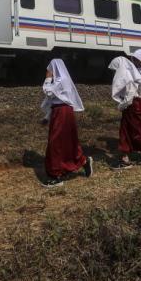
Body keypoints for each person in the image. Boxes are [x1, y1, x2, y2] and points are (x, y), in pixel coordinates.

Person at [38, 58, 92, 187]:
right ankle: (83, 161)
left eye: (49, 70)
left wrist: (47, 78)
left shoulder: (61, 81)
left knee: (55, 143)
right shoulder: (60, 81)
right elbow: (56, 101)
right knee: (67, 141)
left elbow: (48, 91)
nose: (48, 72)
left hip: (62, 113)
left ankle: (55, 175)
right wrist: (47, 117)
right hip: (61, 112)